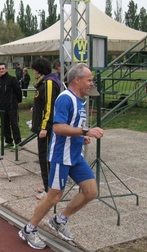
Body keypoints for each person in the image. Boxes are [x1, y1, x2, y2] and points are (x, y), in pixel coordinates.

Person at [18, 63, 104, 249]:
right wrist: (86, 131)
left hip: (75, 155)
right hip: (61, 156)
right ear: (77, 80)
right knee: (54, 196)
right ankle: (29, 228)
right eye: (89, 80)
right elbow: (57, 127)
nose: (91, 83)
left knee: (91, 192)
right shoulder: (66, 98)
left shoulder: (79, 100)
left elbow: (72, 127)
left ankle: (59, 220)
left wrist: (81, 137)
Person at [30, 58, 61, 200]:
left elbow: (50, 106)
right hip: (41, 126)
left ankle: (49, 190)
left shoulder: (48, 83)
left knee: (45, 157)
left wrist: (44, 127)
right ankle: (47, 184)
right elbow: (42, 103)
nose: (34, 72)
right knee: (43, 157)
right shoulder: (44, 82)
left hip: (46, 129)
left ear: (39, 70)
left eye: (35, 69)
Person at [0, 62, 22, 151]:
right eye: (0, 69)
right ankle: (8, 141)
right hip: (2, 107)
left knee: (14, 124)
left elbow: (18, 91)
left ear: (6, 69)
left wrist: (17, 102)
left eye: (3, 69)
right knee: (5, 125)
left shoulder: (12, 79)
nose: (1, 70)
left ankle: (18, 142)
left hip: (12, 106)